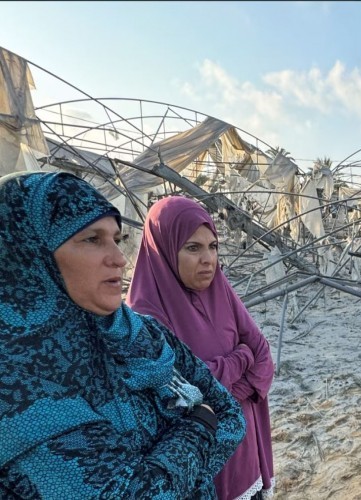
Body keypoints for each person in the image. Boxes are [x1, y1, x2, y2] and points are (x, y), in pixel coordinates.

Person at [0, 171, 245, 499]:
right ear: (32, 250)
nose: (118, 259)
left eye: (116, 239)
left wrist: (170, 466)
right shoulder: (19, 385)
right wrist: (198, 425)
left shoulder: (137, 332)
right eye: (92, 239)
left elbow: (230, 414)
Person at [127, 196, 275, 500]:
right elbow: (186, 393)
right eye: (193, 248)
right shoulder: (146, 313)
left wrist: (227, 382)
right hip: (207, 465)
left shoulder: (220, 289)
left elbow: (262, 354)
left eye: (213, 246)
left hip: (248, 453)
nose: (208, 259)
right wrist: (240, 358)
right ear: (165, 249)